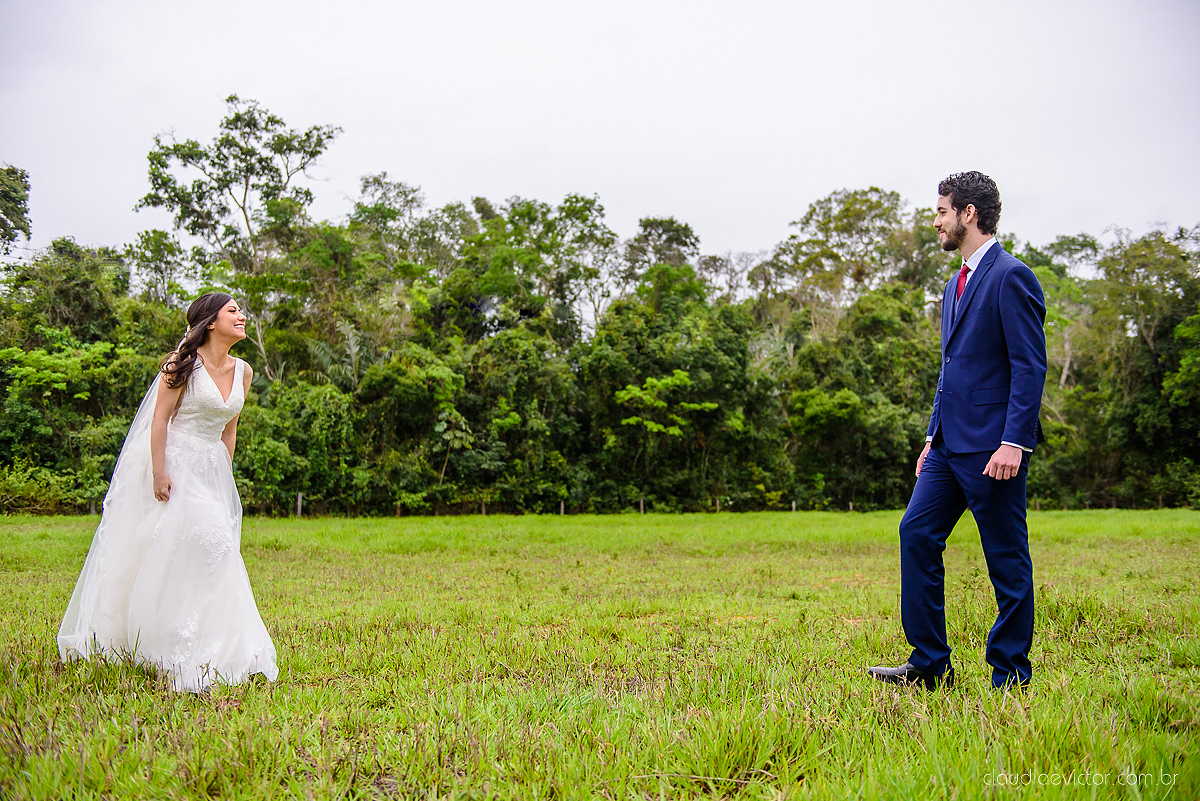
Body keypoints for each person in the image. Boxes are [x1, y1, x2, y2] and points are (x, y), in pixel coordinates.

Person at [869, 172, 1046, 690]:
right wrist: (931, 436)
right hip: (947, 446)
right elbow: (950, 368)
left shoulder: (1012, 276)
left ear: (969, 213)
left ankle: (1010, 674)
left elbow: (1028, 366)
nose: (937, 220)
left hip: (994, 448)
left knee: (1006, 560)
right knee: (916, 534)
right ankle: (929, 665)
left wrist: (1014, 440)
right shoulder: (954, 284)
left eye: (942, 211)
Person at [58, 292, 278, 693]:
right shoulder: (183, 365)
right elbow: (159, 420)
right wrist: (160, 473)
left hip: (212, 467)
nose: (242, 316)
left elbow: (230, 428)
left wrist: (223, 473)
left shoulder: (244, 371)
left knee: (213, 547)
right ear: (211, 322)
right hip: (175, 460)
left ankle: (218, 639)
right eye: (233, 311)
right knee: (201, 538)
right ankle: (167, 642)